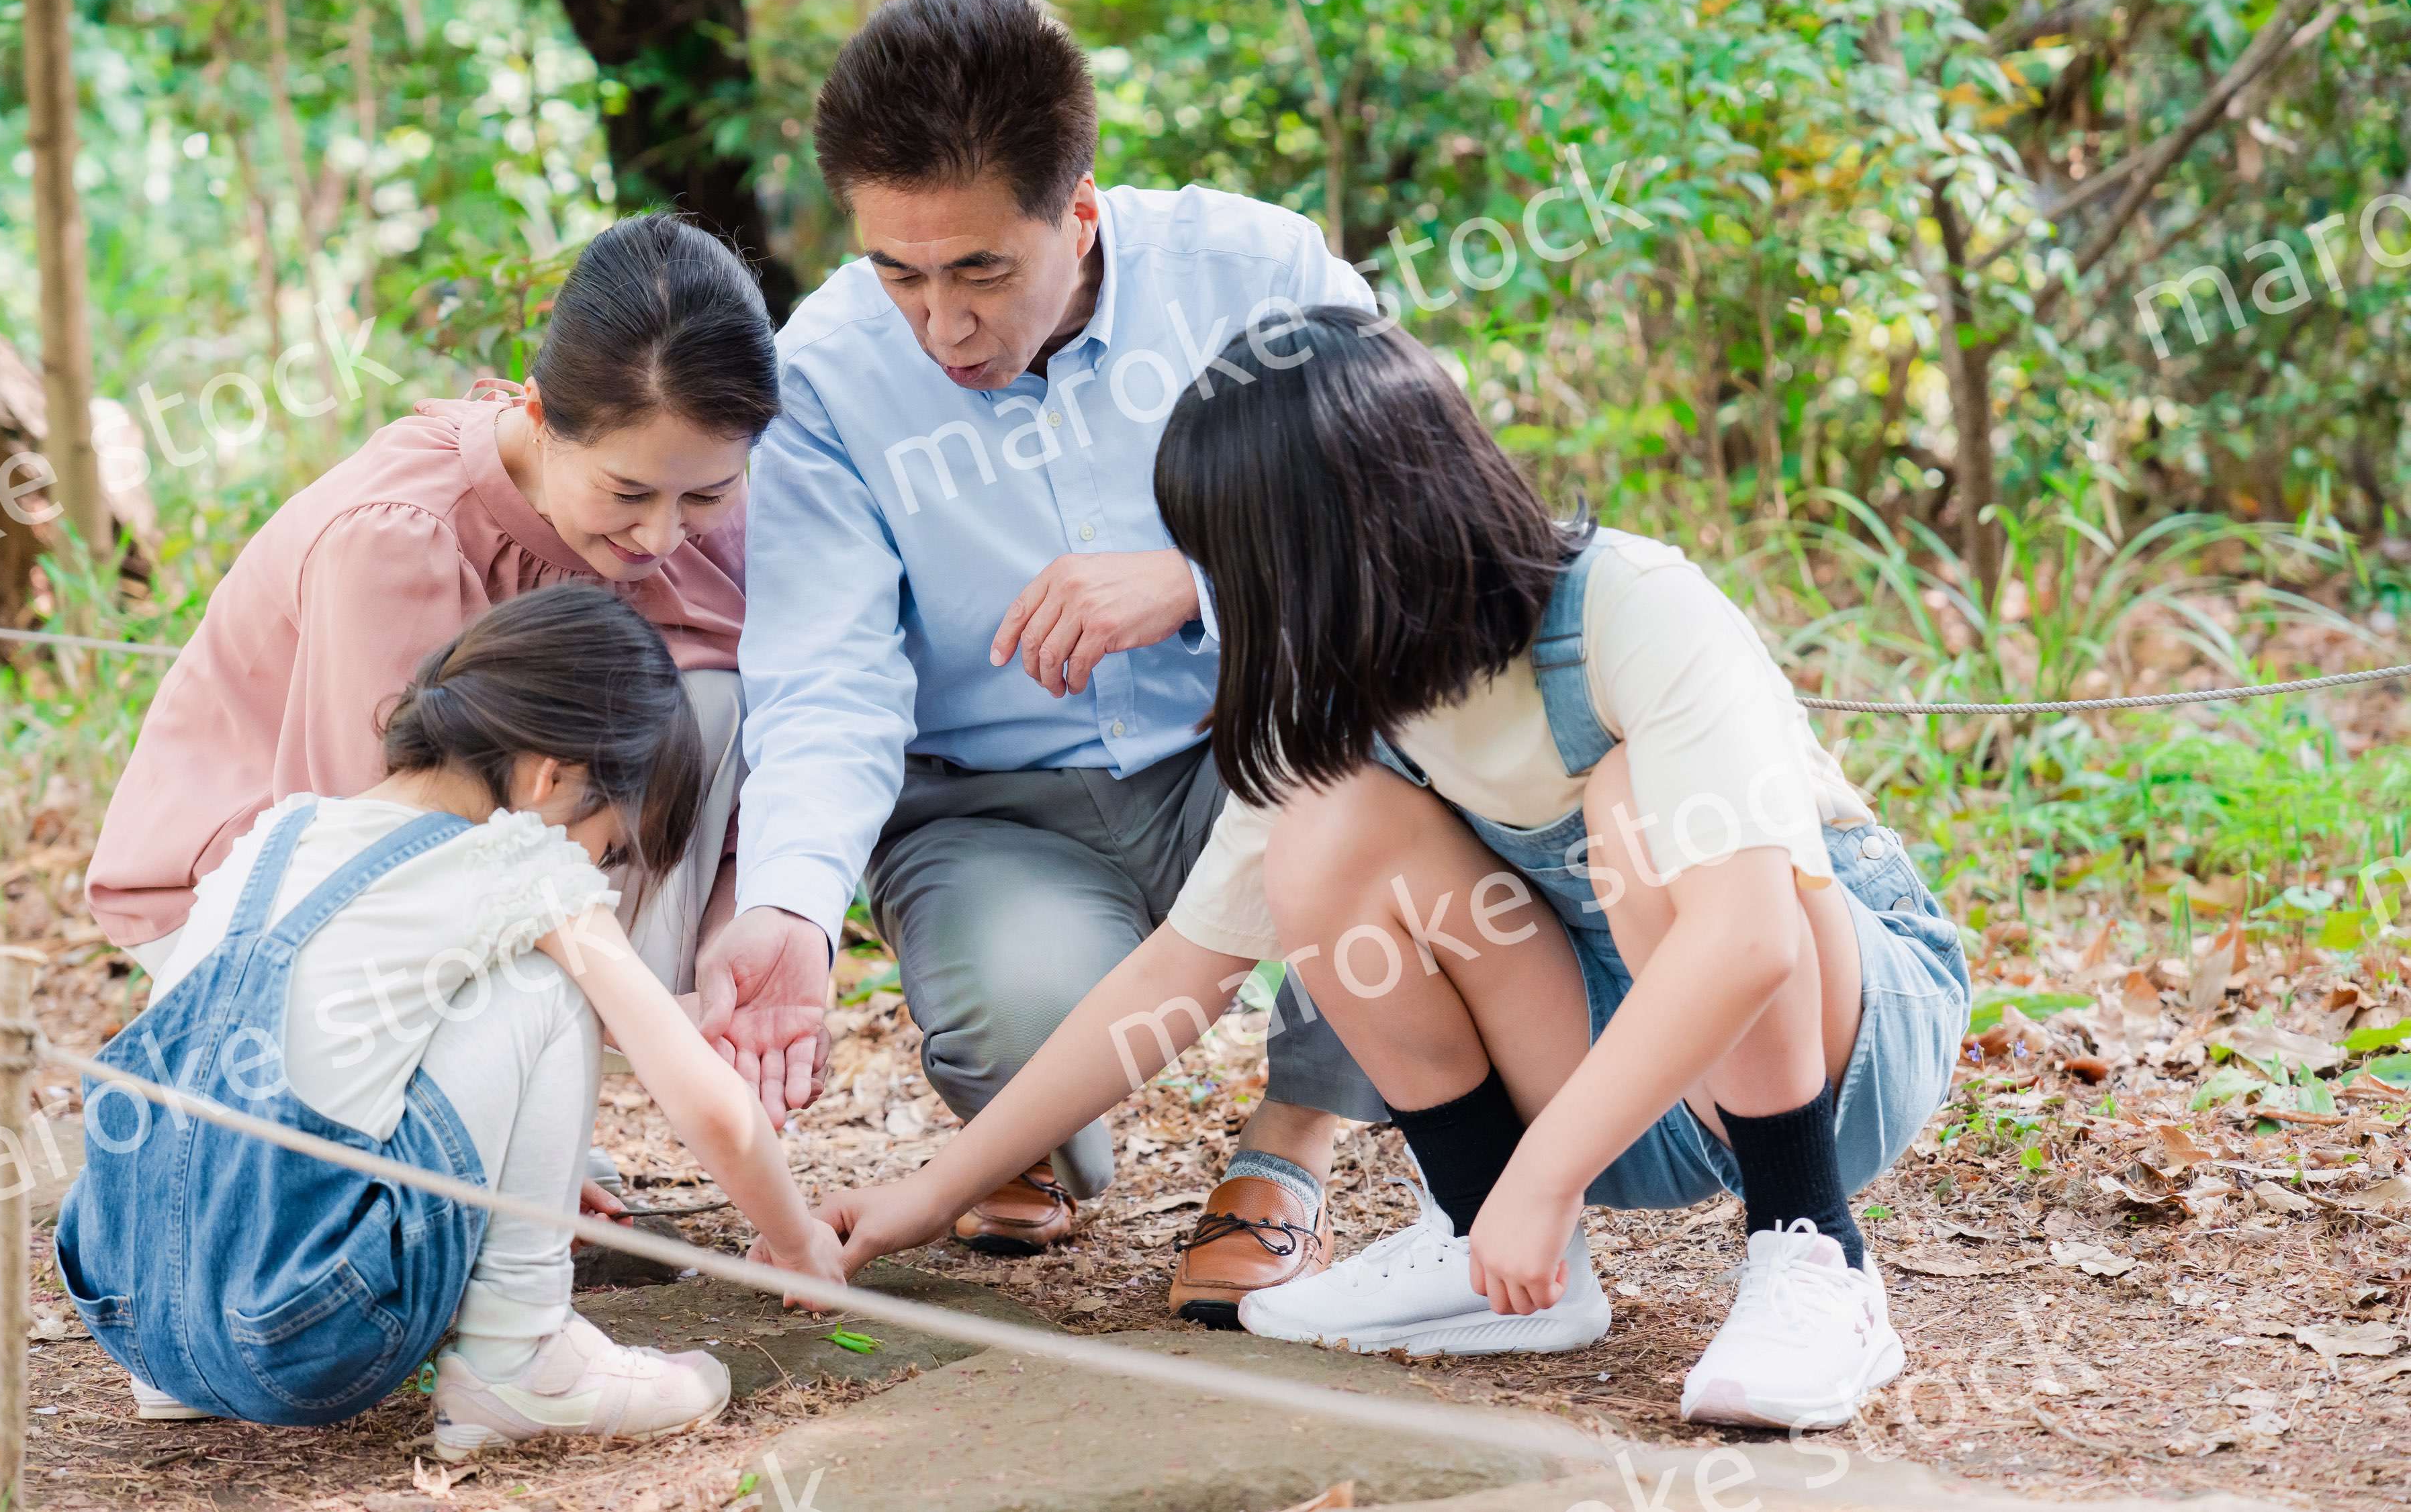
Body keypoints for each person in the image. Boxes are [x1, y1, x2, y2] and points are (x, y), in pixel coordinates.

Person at [814, 308, 1970, 1431]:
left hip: (1837, 1051)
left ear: (1338, 549)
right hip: (1630, 1078)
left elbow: (1750, 938)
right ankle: (1492, 1258)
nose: (1224, 601)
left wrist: (1549, 1173)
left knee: (1628, 801)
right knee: (1325, 829)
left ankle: (1812, 1253)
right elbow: (1178, 975)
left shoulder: (1632, 605)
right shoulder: (1342, 700)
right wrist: (932, 1190)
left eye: (1235, 568)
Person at [713, 0, 1388, 1323]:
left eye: (979, 270)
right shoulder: (828, 372)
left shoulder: (1260, 277)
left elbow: (1406, 527)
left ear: (1076, 214)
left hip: (1251, 749)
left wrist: (1199, 581)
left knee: (1397, 801)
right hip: (997, 804)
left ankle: (1290, 1142)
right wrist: (786, 903)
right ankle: (1028, 1129)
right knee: (1009, 1014)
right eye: (896, 271)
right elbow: (825, 671)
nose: (939, 325)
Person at [54, 585, 846, 1455]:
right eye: (611, 846)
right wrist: (798, 1239)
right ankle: (523, 1362)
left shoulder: (283, 832)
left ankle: (188, 1360)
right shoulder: (520, 864)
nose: (602, 873)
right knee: (547, 990)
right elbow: (716, 1112)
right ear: (554, 776)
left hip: (133, 1310)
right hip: (302, 1331)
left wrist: (687, 1014)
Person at [88, 213, 774, 1006]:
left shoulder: (707, 508)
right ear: (540, 416)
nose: (662, 534)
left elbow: (759, 754)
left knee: (711, 701)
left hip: (506, 857)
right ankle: (605, 1027)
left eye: (706, 492)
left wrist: (735, 936)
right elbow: (370, 854)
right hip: (254, 898)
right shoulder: (398, 541)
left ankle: (634, 1016)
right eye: (627, 493)